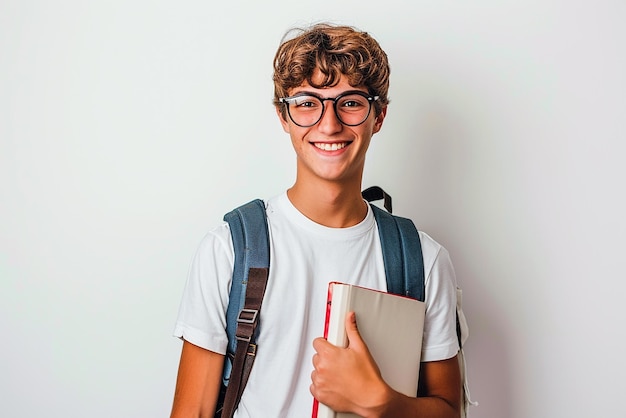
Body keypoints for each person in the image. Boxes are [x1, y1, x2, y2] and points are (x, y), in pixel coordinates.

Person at [170, 22, 461, 418]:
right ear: (283, 117)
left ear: (379, 116)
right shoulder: (228, 250)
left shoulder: (423, 260)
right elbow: (194, 412)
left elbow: (448, 409)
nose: (329, 124)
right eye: (307, 103)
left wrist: (383, 403)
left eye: (351, 102)